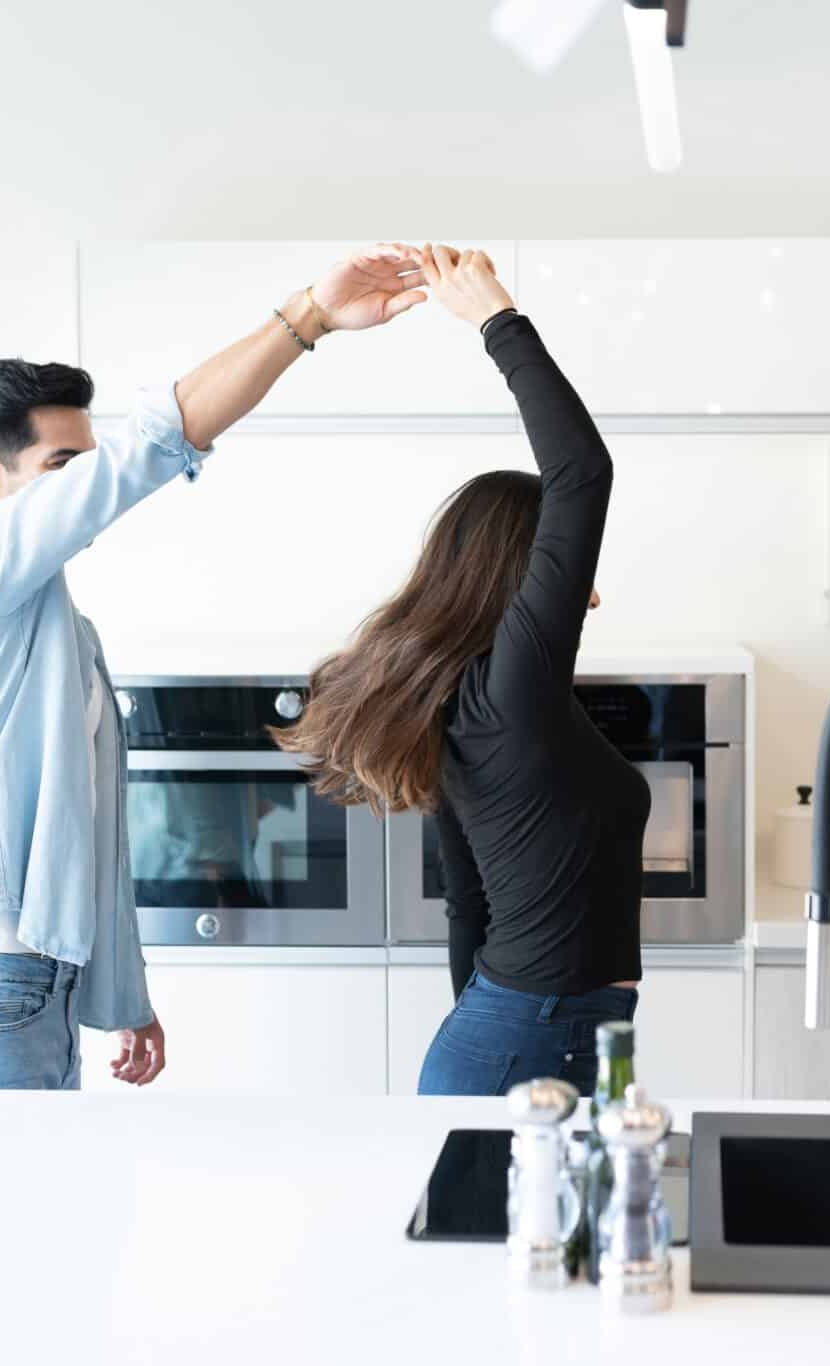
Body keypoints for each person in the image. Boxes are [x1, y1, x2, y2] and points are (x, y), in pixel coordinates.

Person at [0, 244, 428, 1089]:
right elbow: (157, 440)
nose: (87, 487)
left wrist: (123, 995)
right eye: (64, 468)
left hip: (30, 984)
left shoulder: (65, 627)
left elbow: (91, 827)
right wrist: (310, 318)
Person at [274, 243, 643, 1096]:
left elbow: (467, 905)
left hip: (515, 1033)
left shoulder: (456, 700)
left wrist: (480, 1036)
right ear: (522, 567)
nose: (579, 571)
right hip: (533, 1035)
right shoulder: (513, 691)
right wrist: (496, 320)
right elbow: (582, 473)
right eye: (556, 552)